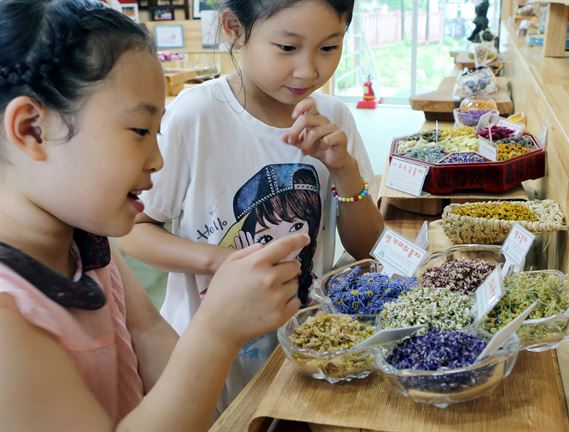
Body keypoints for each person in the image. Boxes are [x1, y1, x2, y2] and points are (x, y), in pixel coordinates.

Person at [0, 0, 308, 430]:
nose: (157, 160)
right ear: (32, 129)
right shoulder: (9, 317)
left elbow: (148, 335)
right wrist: (217, 331)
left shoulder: (88, 246)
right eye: (140, 131)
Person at [120, 0, 385, 412]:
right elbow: (135, 230)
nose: (309, 70)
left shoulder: (334, 118)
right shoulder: (197, 116)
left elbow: (369, 247)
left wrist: (345, 169)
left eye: (329, 48)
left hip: (305, 349)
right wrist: (220, 262)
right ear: (233, 28)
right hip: (208, 360)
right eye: (286, 47)